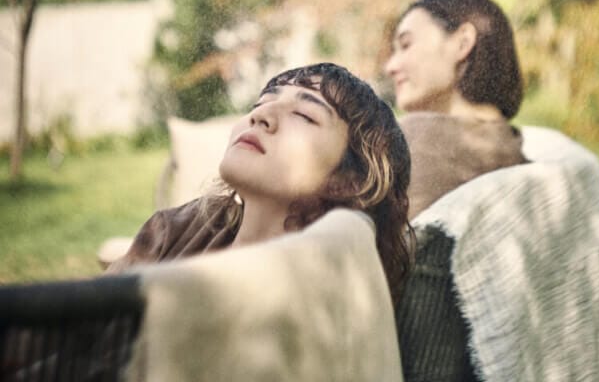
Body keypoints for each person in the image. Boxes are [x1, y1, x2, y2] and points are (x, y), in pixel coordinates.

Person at [385, 0, 533, 382]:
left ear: (462, 42)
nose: (390, 63)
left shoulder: (414, 141)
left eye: (405, 44)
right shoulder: (513, 148)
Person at [109, 62, 414, 305]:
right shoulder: (175, 230)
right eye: (260, 103)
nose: (262, 115)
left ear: (350, 180)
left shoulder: (336, 297)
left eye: (305, 115)